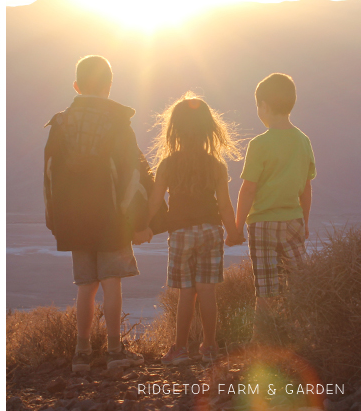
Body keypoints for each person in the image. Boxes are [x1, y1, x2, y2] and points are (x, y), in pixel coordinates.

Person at [44, 55, 154, 372]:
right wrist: (140, 222)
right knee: (111, 281)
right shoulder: (118, 122)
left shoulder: (61, 122)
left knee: (85, 286)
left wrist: (54, 219)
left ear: (77, 86)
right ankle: (115, 351)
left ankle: (81, 354)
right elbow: (131, 176)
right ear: (109, 86)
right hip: (111, 218)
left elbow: (49, 174)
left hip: (73, 219)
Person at [143, 94, 244, 366]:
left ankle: (179, 349)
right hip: (211, 231)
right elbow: (224, 205)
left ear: (174, 129)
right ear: (208, 129)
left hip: (180, 234)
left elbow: (154, 202)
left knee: (186, 292)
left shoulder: (168, 164)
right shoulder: (215, 165)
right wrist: (233, 233)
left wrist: (142, 226)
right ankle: (210, 347)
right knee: (208, 290)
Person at [234, 73, 315, 335]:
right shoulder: (303, 141)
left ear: (264, 106)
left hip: (262, 225)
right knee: (300, 284)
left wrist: (236, 226)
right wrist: (305, 222)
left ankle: (263, 344)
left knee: (266, 289)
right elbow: (306, 187)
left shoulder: (259, 144)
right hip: (293, 221)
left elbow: (248, 190)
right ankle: (302, 337)